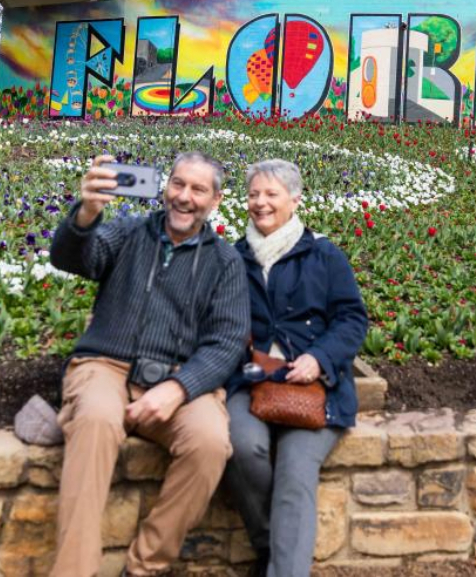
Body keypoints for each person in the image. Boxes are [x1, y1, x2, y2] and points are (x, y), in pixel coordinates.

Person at [48, 152, 250, 577]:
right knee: (96, 420)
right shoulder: (128, 231)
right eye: (178, 184)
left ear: (215, 200)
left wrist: (179, 388)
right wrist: (86, 214)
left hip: (178, 379)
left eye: (198, 189)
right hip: (107, 365)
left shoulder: (225, 262)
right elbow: (72, 259)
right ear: (164, 186)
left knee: (210, 443)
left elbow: (227, 342)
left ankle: (144, 566)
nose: (184, 197)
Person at [222, 159, 368, 577]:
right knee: (240, 447)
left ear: (295, 199)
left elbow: (351, 318)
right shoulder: (233, 257)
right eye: (253, 194)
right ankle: (274, 548)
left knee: (295, 470)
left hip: (313, 386)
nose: (260, 203)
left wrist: (318, 358)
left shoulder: (323, 254)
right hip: (250, 382)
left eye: (271, 194)